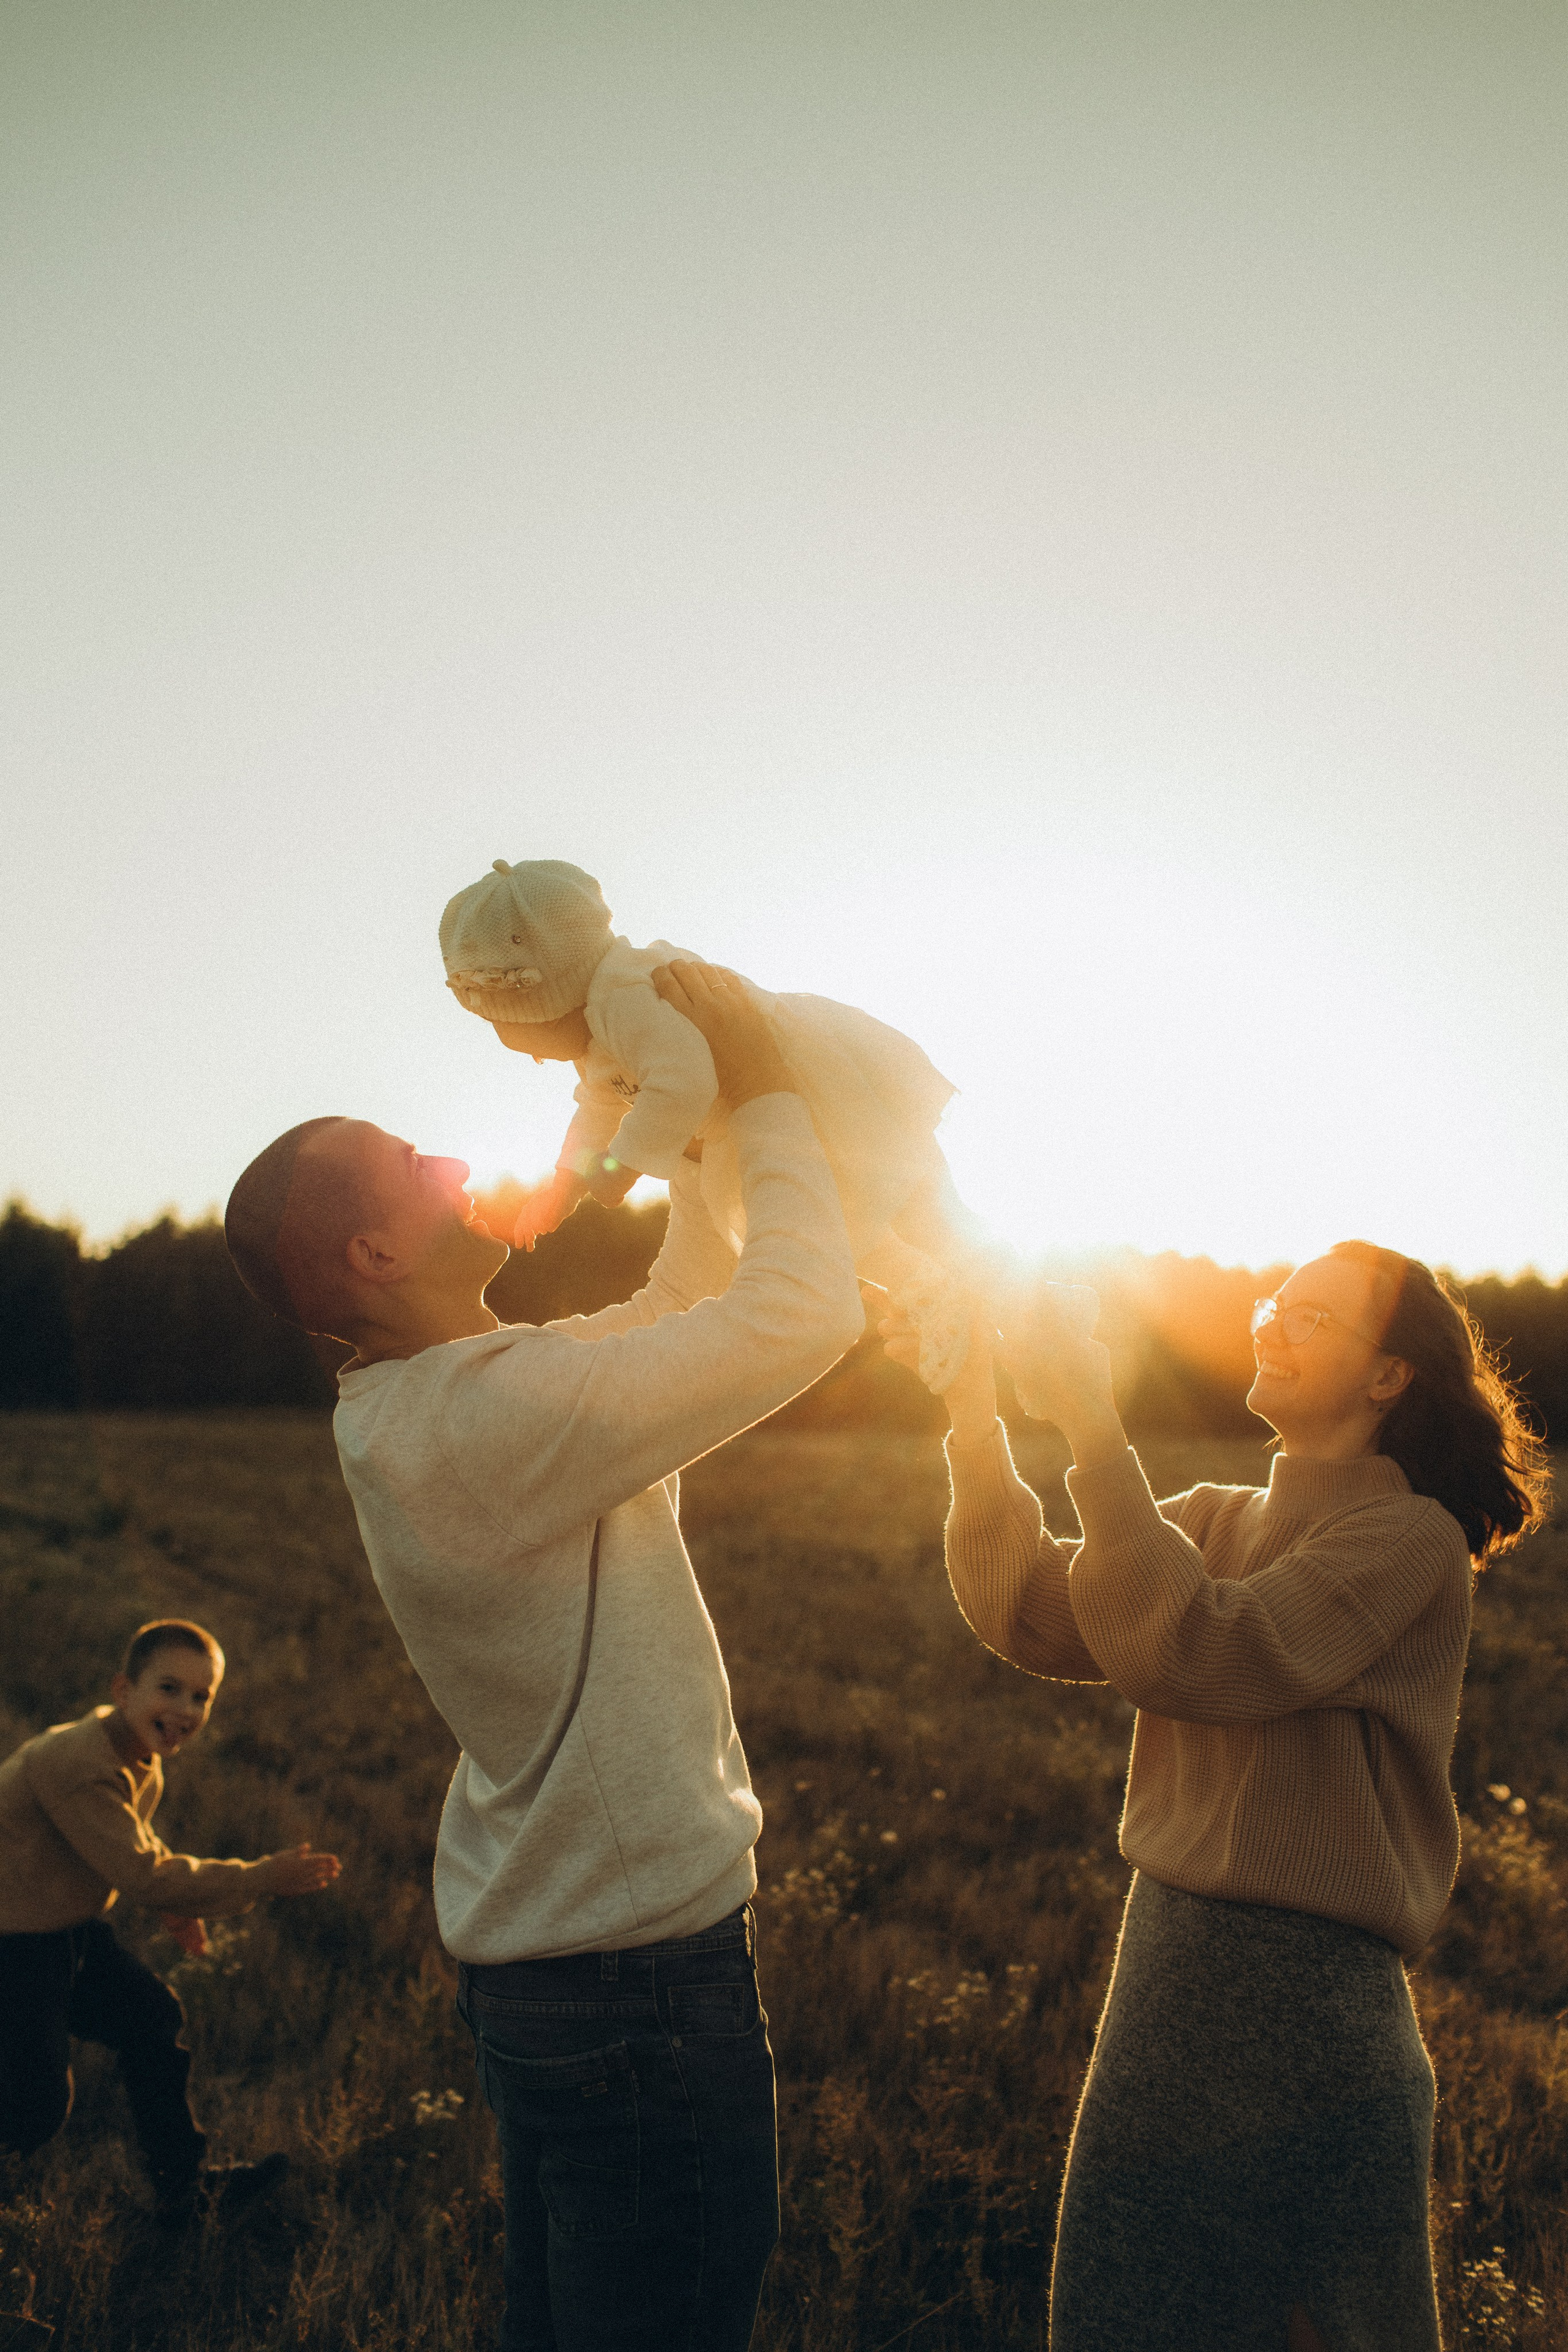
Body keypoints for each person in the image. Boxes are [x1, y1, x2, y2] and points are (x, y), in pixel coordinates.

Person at [222, 962, 864, 2352]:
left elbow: (684, 1296)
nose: (452, 1155)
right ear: (376, 1259)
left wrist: (688, 1125)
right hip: (633, 1983)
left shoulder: (451, 1398)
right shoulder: (483, 1417)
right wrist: (759, 1085)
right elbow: (803, 1311)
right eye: (409, 1161)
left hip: (570, 1966)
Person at [883, 1241, 1549, 2352]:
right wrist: (969, 1408)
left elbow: (1205, 1655)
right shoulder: (1210, 1518)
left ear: (1390, 1376)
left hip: (1312, 2023)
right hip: (1165, 1986)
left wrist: (1096, 1434)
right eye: (1273, 1303)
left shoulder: (1410, 1540)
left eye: (1313, 1317)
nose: (1270, 1322)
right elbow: (1027, 1612)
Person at [437, 856, 1091, 1389]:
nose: (512, 1048)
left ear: (546, 998)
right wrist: (564, 1184)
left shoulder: (630, 1002)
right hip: (768, 1120)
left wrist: (617, 1171)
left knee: (896, 1215)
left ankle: (1039, 1313)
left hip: (814, 1100)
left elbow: (681, 1083)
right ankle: (958, 1298)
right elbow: (599, 1105)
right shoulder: (600, 1030)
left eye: (502, 1025)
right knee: (865, 1228)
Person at [0, 1616, 342, 2224]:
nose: (185, 1708)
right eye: (169, 1688)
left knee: (151, 2018)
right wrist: (259, 1876)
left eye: (201, 1696)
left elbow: (126, 1845)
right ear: (123, 1688)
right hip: (14, 1941)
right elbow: (143, 1871)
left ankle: (187, 2191)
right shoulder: (79, 1764)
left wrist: (171, 1907)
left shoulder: (132, 1752)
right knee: (35, 2110)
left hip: (62, 1930)